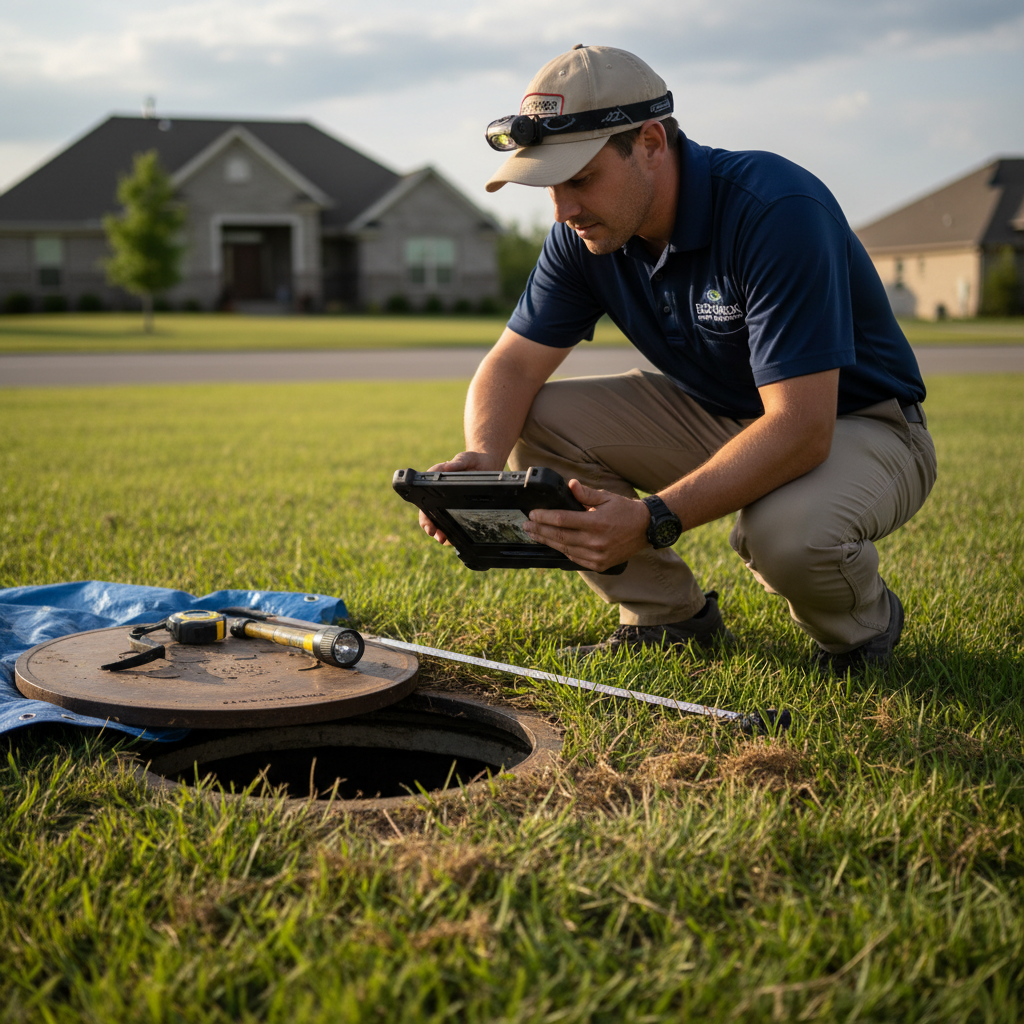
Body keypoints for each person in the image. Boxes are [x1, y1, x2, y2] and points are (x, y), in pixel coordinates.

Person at [419, 44, 937, 673]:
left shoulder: (774, 209)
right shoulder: (584, 234)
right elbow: (513, 366)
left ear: (651, 143)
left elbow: (803, 426)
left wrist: (653, 518)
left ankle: (861, 632)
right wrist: (482, 461)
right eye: (550, 184)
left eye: (580, 178)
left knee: (786, 536)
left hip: (860, 422)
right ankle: (666, 618)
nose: (562, 209)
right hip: (723, 412)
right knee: (534, 419)